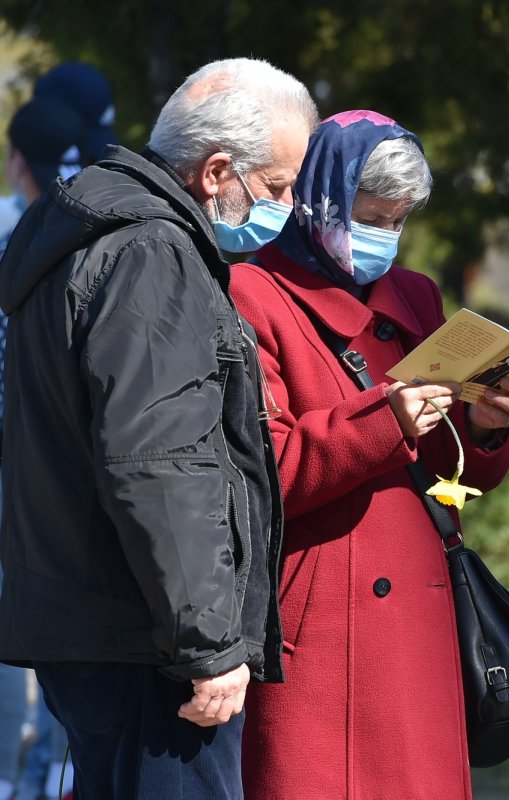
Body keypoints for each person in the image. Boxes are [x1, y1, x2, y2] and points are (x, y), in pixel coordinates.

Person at [0, 58, 317, 799]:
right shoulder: (150, 251)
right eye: (276, 186)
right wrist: (208, 645)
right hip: (148, 643)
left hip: (101, 627)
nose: (288, 206)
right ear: (216, 172)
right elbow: (160, 460)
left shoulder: (93, 230)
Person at [229, 110, 509, 799]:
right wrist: (382, 421)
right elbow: (263, 471)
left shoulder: (415, 295)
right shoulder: (252, 293)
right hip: (322, 617)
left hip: (421, 611)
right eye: (370, 217)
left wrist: (483, 427)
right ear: (320, 199)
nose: (384, 236)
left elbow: (449, 470)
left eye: (398, 220)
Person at [0, 95, 90, 800]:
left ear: (16, 162)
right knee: (73, 622)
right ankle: (59, 774)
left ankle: (12, 778)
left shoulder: (13, 239)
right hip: (73, 463)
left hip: (15, 458)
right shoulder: (98, 238)